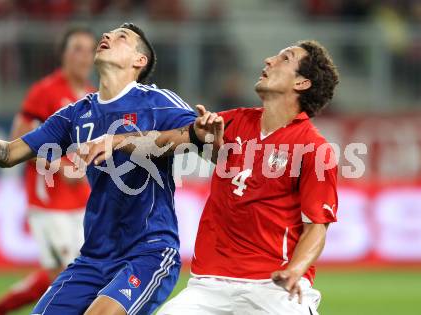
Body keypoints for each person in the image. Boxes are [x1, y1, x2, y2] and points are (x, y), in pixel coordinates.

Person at [80, 40, 340, 315]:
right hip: (209, 288)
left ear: (302, 83)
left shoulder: (313, 148)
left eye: (284, 58)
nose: (268, 60)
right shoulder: (231, 122)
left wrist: (295, 271)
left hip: (274, 289)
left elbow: (316, 228)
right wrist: (116, 140)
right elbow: (166, 140)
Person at [0, 22, 197, 315]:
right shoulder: (77, 113)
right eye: (108, 33)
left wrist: (120, 141)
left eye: (122, 37)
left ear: (139, 61)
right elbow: (8, 154)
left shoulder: (157, 102)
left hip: (148, 251)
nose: (107, 36)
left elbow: (201, 137)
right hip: (94, 258)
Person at [0, 27, 96, 315]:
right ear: (64, 55)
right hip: (48, 202)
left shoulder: (93, 97)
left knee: (68, 275)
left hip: (82, 201)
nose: (83, 56)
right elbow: (18, 143)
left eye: (89, 50)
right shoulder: (45, 92)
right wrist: (59, 167)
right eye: (77, 49)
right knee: (69, 277)